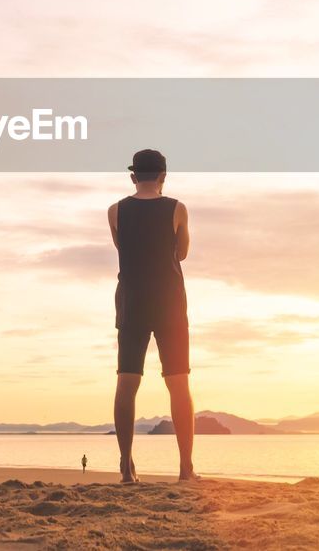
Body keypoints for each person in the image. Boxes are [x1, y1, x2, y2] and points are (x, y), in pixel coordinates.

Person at [108, 149, 199, 483]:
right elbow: (183, 253)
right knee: (178, 383)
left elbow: (123, 250)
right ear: (163, 176)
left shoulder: (115, 211)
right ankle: (185, 469)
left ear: (133, 177)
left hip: (131, 301)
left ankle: (126, 467)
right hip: (170, 303)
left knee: (126, 381)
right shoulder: (177, 209)